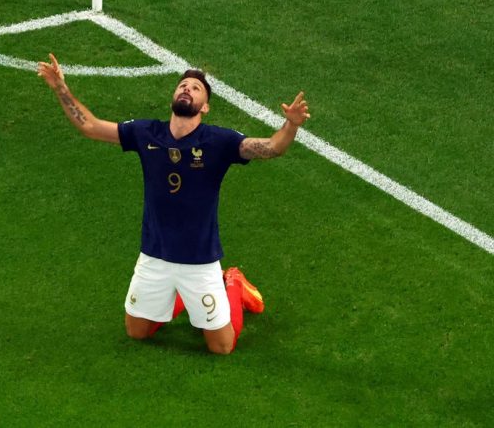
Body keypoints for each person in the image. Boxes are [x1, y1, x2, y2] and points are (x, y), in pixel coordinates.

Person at [37, 54, 310, 354]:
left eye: (195, 88)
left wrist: (291, 125)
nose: (187, 90)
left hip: (200, 261)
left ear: (205, 107)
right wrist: (60, 87)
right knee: (136, 332)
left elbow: (271, 148)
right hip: (156, 256)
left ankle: (232, 281)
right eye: (183, 85)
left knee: (222, 346)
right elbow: (90, 126)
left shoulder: (218, 141)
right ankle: (176, 297)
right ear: (173, 96)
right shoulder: (145, 133)